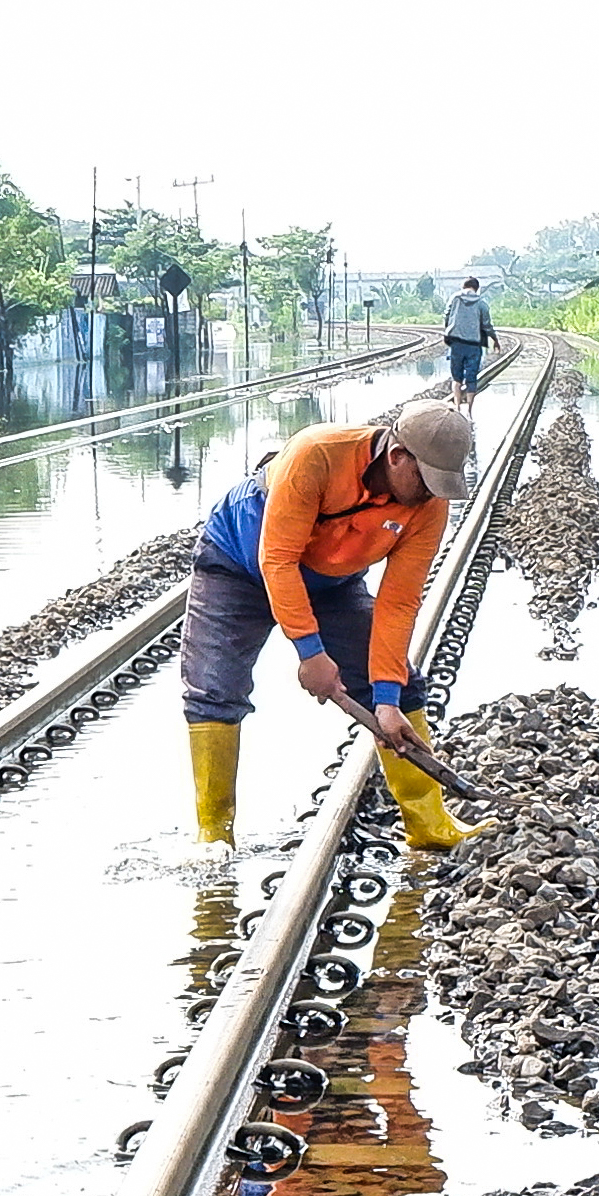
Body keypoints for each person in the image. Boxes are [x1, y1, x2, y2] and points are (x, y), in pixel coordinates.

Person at [180, 401, 489, 852]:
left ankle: (429, 823)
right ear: (397, 455)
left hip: (330, 581)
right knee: (213, 688)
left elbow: (399, 602)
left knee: (402, 687)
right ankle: (214, 833)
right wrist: (311, 653)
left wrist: (385, 698)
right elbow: (277, 560)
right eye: (425, 481)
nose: (429, 494)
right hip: (237, 566)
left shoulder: (428, 507)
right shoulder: (318, 454)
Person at [442, 277, 495, 407]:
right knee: (472, 379)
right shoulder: (481, 302)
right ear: (476, 289)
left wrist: (449, 330)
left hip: (456, 343)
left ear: (463, 287)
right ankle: (470, 411)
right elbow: (486, 324)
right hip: (474, 345)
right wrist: (494, 338)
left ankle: (458, 406)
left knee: (457, 378)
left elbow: (447, 316)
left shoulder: (455, 298)